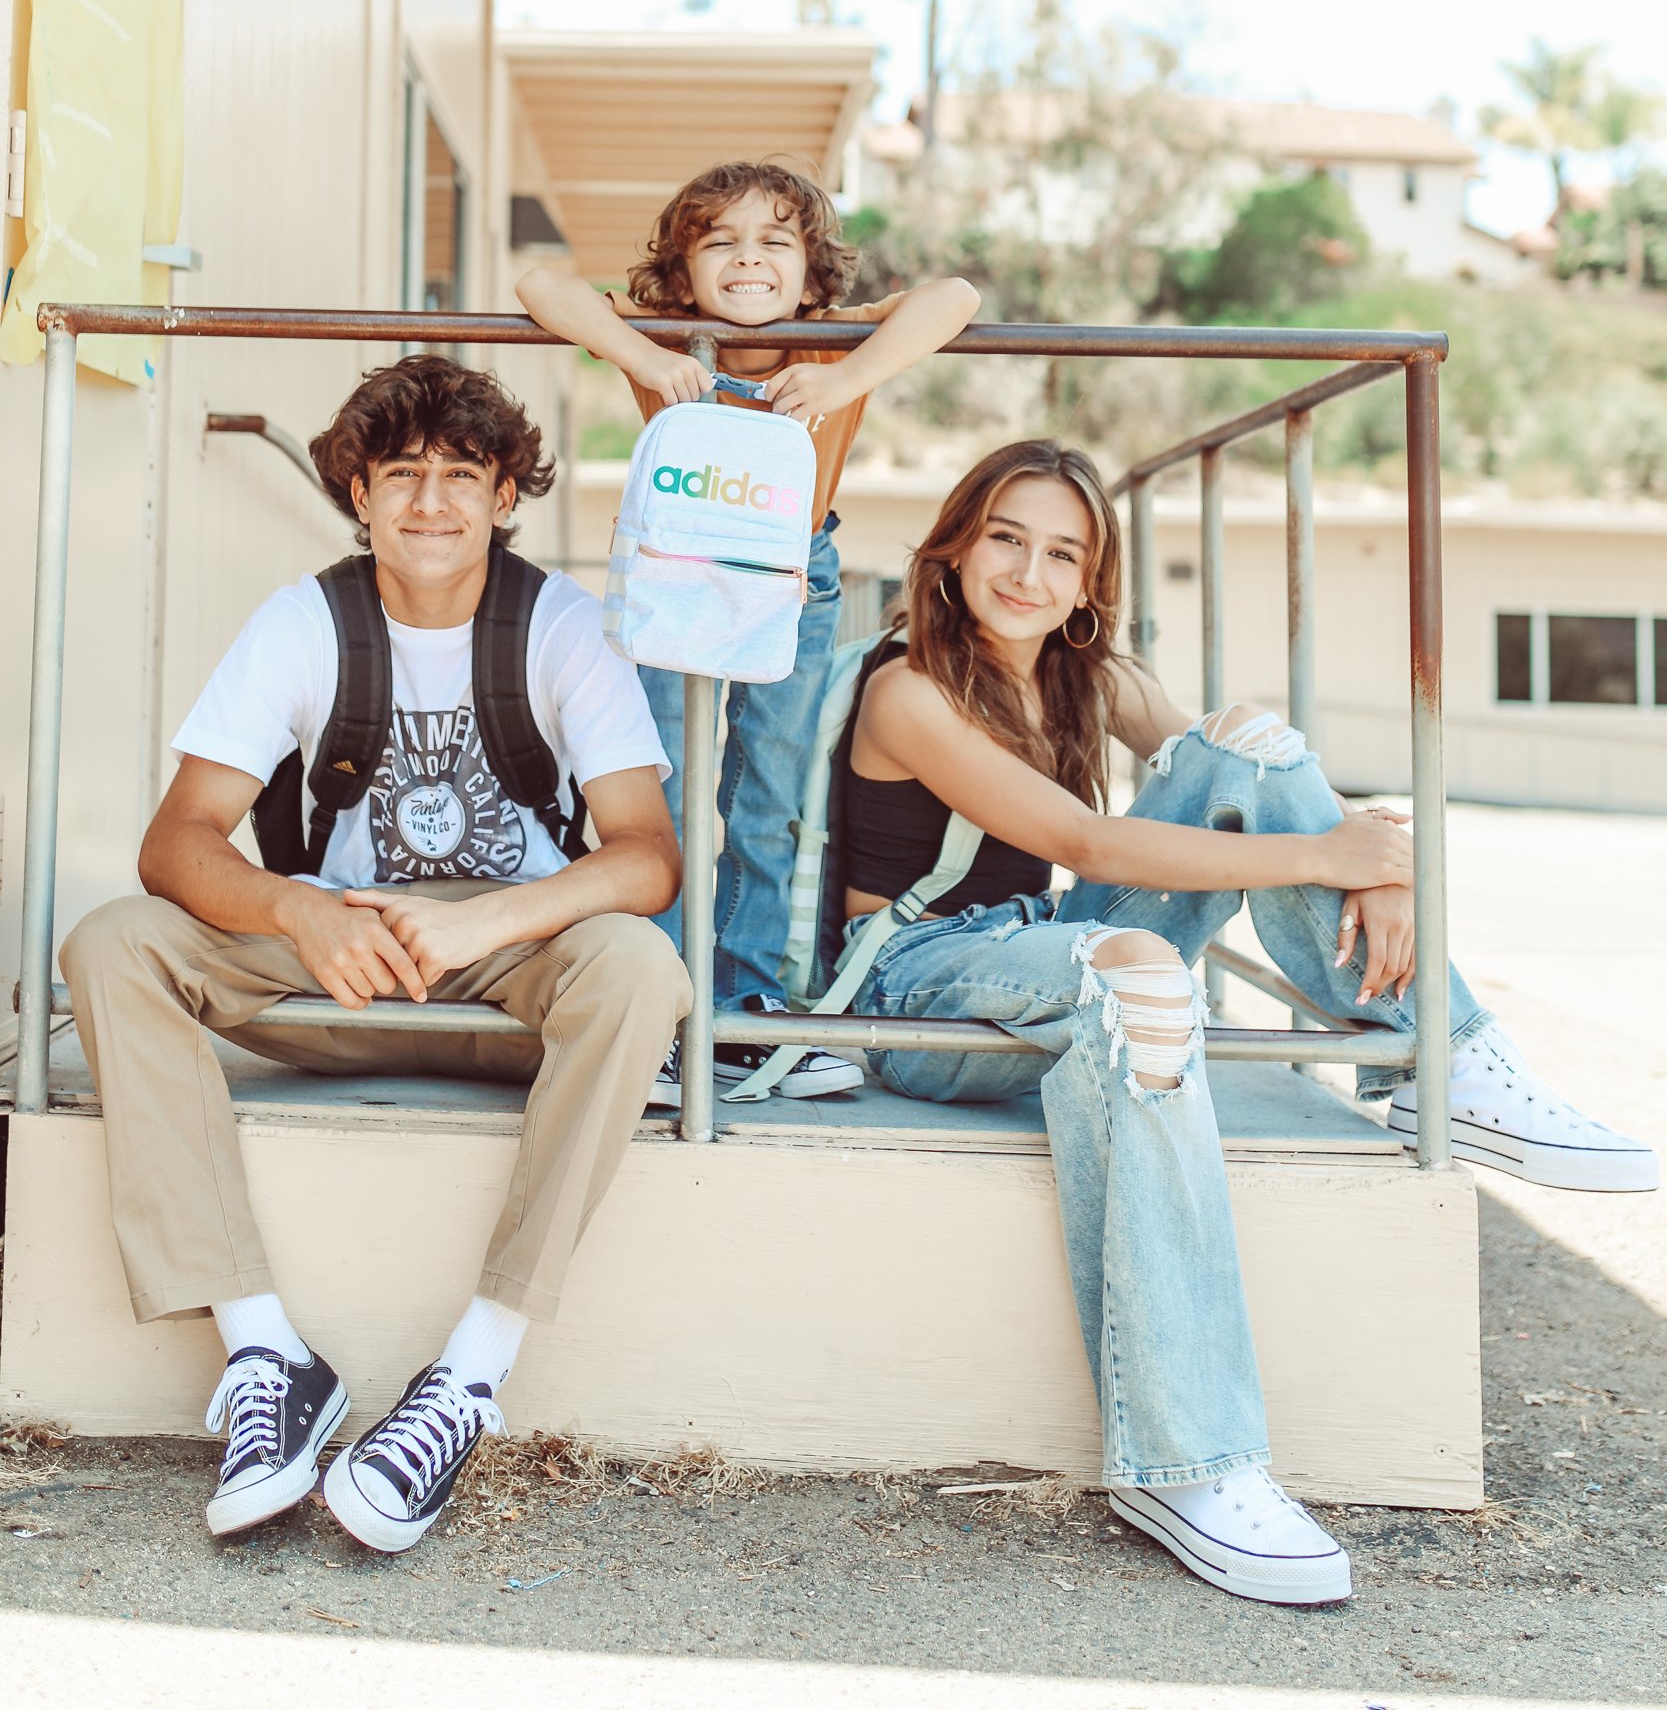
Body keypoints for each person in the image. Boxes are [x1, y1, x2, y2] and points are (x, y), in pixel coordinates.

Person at [836, 440, 1657, 1605]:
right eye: (1005, 537)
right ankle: (1187, 1464)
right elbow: (1089, 847)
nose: (1027, 571)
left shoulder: (1079, 671)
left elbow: (1235, 775)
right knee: (1137, 977)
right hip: (920, 981)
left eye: (1061, 551)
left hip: (1039, 949)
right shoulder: (907, 687)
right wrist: (1330, 852)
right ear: (954, 544)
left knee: (1252, 743)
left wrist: (1364, 858)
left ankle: (1447, 1058)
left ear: (1089, 581)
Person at [61, 357, 690, 1555]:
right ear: (357, 492)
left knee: (637, 965)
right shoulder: (305, 620)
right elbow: (175, 842)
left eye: (463, 474)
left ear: (508, 494)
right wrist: (302, 914)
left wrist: (487, 918)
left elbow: (644, 856)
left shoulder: (559, 624)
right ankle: (266, 1354)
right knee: (113, 943)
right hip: (333, 957)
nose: (431, 503)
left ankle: (463, 1380)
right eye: (400, 474)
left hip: (504, 967)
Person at [518, 160, 978, 1106]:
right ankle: (652, 1004)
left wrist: (846, 373)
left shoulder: (835, 344)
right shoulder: (675, 342)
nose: (748, 258)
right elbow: (539, 285)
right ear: (683, 273)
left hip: (789, 578)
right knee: (662, 788)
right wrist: (642, 357)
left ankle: (745, 1005)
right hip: (673, 575)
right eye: (719, 241)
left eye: (775, 240)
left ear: (811, 273)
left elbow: (955, 295)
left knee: (768, 794)